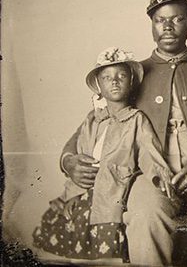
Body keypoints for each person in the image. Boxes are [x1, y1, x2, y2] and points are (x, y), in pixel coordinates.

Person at [59, 0, 187, 266]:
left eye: (177, 19)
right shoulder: (133, 74)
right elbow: (98, 121)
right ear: (152, 25)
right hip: (149, 176)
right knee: (144, 216)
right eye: (160, 20)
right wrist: (69, 160)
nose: (168, 27)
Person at [33, 47, 177, 260]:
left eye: (121, 76)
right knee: (69, 239)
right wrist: (71, 193)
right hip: (86, 192)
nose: (115, 81)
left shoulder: (136, 119)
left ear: (131, 82)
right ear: (99, 86)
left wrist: (159, 175)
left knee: (108, 251)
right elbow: (80, 156)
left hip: (113, 191)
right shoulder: (92, 120)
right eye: (107, 78)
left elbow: (148, 152)